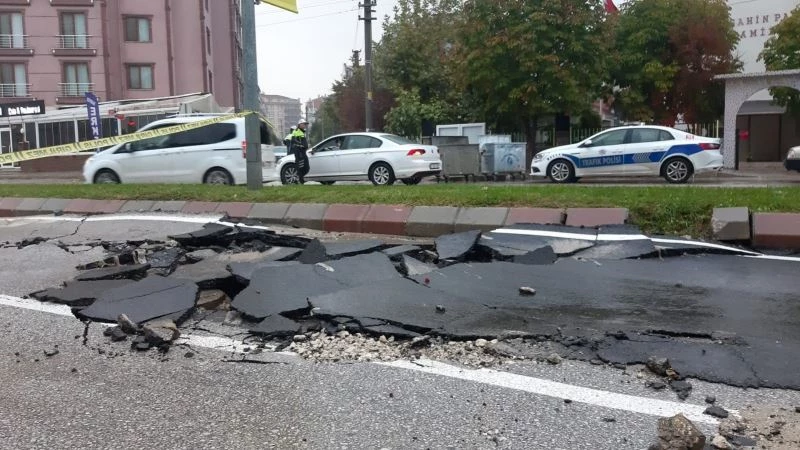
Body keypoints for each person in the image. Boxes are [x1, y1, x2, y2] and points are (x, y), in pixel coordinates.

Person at [290, 119, 310, 184]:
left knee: (306, 167)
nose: (305, 125)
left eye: (305, 124)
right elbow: (293, 141)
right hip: (299, 152)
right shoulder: (296, 131)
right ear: (300, 124)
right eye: (304, 124)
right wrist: (300, 145)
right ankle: (300, 180)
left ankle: (299, 179)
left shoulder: (302, 132)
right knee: (300, 166)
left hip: (303, 152)